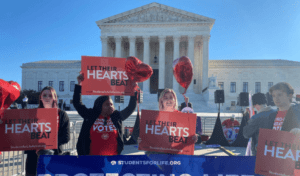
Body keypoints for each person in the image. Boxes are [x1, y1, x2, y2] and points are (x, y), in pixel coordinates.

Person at [73, 74, 137, 156]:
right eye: (107, 104)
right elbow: (77, 103)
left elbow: (130, 108)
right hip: (91, 160)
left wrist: (134, 91)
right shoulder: (90, 115)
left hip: (112, 161)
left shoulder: (116, 116)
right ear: (99, 106)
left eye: (112, 104)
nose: (111, 106)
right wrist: (79, 85)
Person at [243, 82, 300, 155]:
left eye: (280, 95)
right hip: (272, 160)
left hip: (291, 160)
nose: (276, 98)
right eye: (273, 96)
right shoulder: (271, 116)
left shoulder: (297, 113)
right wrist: (259, 145)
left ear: (290, 96)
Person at [25, 86, 70, 176]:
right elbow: (24, 132)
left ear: (54, 98)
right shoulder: (32, 113)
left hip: (54, 155)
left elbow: (66, 137)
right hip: (34, 156)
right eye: (44, 95)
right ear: (40, 98)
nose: (47, 98)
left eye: (50, 95)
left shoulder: (62, 114)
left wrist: (47, 145)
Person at [138, 88, 198, 154]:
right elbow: (149, 142)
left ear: (174, 100)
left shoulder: (183, 118)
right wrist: (142, 140)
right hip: (158, 155)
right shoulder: (154, 118)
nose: (168, 100)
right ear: (161, 101)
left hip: (176, 155)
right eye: (165, 98)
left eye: (171, 97)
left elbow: (187, 138)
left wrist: (193, 137)